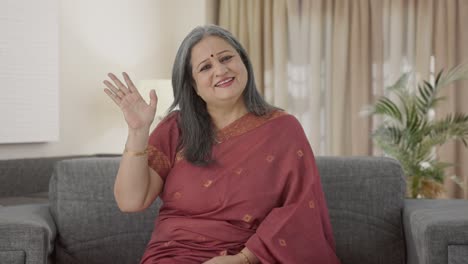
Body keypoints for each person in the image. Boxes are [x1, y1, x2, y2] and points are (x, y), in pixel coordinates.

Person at [103, 24, 340, 264]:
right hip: (173, 256)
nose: (221, 70)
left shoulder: (283, 128)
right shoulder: (176, 128)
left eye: (227, 58)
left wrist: (244, 259)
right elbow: (131, 201)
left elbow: (299, 211)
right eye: (205, 67)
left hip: (250, 257)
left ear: (244, 62)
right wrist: (138, 130)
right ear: (193, 85)